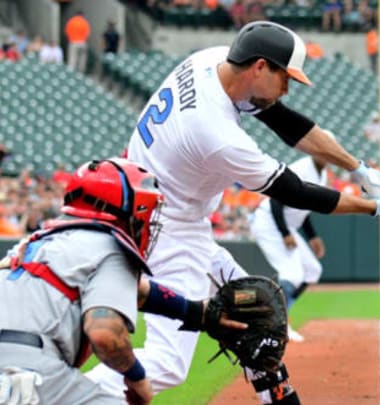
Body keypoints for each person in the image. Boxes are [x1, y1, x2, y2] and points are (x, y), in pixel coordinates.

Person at [86, 20, 380, 405]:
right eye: (286, 77)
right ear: (260, 66)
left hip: (159, 214)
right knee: (169, 363)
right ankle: (54, 395)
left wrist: (357, 167)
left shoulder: (211, 62)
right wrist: (376, 207)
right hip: (167, 230)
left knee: (256, 318)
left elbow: (287, 123)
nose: (288, 87)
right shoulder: (217, 135)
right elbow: (293, 191)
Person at [0, 159, 247, 405]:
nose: (148, 219)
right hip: (28, 372)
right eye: (144, 209)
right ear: (123, 208)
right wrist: (137, 378)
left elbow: (136, 293)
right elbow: (104, 333)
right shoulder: (111, 247)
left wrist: (195, 313)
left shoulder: (35, 243)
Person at [249, 149, 333, 342]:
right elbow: (275, 200)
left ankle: (276, 315)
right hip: (270, 223)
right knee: (293, 275)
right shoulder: (301, 169)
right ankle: (276, 323)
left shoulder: (322, 174)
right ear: (315, 152)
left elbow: (303, 206)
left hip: (288, 225)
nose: (326, 155)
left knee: (312, 270)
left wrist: (312, 236)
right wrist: (285, 233)